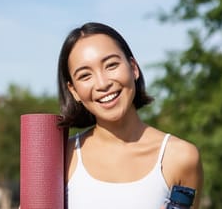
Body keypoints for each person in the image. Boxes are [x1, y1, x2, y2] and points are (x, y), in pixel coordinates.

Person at [57, 22, 203, 209]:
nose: (102, 84)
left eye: (111, 65)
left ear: (133, 68)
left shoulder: (181, 157)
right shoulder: (60, 157)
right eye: (85, 75)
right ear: (74, 91)